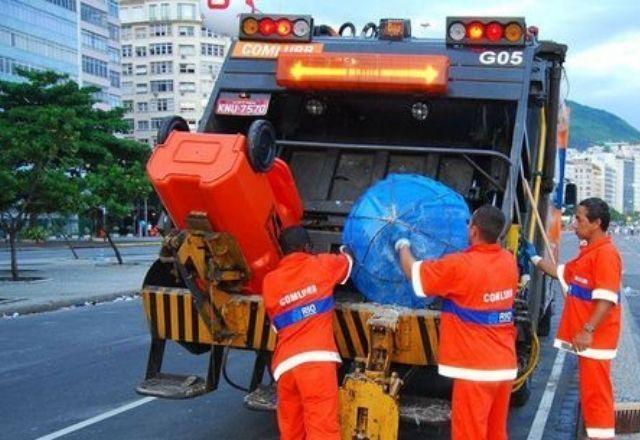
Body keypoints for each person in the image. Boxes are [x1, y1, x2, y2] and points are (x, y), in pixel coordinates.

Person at [395, 205, 518, 440]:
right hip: (503, 365)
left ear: (473, 230)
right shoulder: (508, 262)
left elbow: (414, 273)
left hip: (475, 369)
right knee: (495, 434)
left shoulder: (460, 266)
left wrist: (402, 245)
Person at [522, 197, 621, 440]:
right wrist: (534, 258)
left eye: (579, 219)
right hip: (590, 343)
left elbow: (606, 299)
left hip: (596, 342)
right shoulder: (589, 253)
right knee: (591, 398)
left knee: (597, 399)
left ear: (596, 223)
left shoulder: (606, 255)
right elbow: (560, 273)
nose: (573, 224)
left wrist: (587, 329)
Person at [262, 225, 353, 440]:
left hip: (285, 367)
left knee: (292, 432)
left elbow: (278, 326)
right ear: (307, 247)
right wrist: (345, 249)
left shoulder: (270, 282)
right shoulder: (322, 264)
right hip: (316, 364)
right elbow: (348, 263)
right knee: (323, 430)